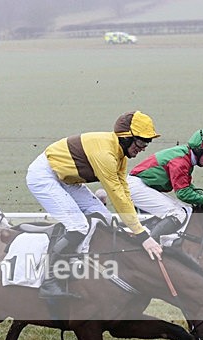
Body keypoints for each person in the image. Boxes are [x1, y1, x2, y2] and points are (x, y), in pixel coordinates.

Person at [25, 110, 163, 299]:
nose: (144, 147)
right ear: (126, 137)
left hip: (65, 178)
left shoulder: (119, 156)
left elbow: (124, 191)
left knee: (104, 218)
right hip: (44, 176)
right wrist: (141, 235)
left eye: (147, 142)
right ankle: (50, 281)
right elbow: (116, 196)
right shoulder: (106, 154)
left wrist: (136, 226)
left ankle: (87, 267)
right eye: (141, 141)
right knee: (78, 226)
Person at [127, 128, 203, 241]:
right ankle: (149, 246)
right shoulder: (181, 161)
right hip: (135, 187)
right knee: (178, 214)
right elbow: (183, 193)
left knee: (187, 211)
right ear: (199, 149)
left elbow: (187, 186)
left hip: (141, 186)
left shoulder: (186, 157)